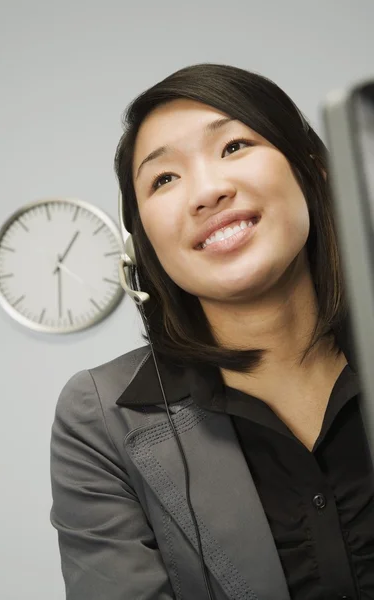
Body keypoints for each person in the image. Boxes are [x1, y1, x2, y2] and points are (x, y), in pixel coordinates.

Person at [49, 63, 374, 600]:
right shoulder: (100, 418)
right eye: (164, 179)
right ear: (143, 248)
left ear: (312, 170)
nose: (207, 192)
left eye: (233, 147)